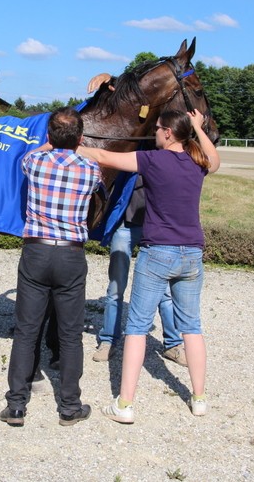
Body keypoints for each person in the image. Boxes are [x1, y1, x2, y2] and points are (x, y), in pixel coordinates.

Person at [77, 108, 220, 421]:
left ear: (168, 132)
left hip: (158, 254)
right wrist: (198, 127)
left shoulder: (153, 161)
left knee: (138, 328)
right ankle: (199, 399)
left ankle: (125, 405)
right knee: (192, 328)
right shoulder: (199, 162)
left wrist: (69, 145)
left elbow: (104, 156)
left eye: (158, 128)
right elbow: (215, 158)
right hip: (192, 254)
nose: (154, 131)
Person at [0, 107, 101, 427]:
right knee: (71, 335)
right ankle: (69, 406)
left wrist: (52, 142)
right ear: (80, 138)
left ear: (48, 136)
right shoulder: (90, 170)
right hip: (71, 255)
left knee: (26, 332)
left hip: (36, 253)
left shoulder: (33, 163)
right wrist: (75, 146)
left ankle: (16, 406)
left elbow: (34, 153)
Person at [92, 175, 187, 367]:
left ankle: (173, 344)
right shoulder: (135, 149)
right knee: (116, 288)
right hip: (126, 225)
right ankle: (109, 340)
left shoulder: (169, 150)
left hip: (158, 227)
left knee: (165, 292)